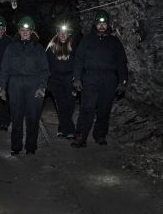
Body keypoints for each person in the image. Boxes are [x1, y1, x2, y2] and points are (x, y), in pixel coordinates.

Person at [71, 10, 128, 148]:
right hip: (91, 77)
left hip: (109, 78)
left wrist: (123, 81)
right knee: (87, 108)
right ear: (95, 24)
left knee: (104, 108)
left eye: (104, 23)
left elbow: (121, 62)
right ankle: (80, 136)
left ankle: (100, 134)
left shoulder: (114, 42)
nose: (102, 26)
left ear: (108, 25)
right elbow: (78, 60)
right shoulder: (87, 40)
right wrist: (77, 78)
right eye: (99, 23)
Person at [0, 15, 49, 155]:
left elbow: (45, 70)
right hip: (15, 85)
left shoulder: (38, 49)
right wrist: (2, 87)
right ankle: (16, 146)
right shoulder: (11, 48)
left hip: (33, 84)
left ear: (32, 31)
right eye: (22, 29)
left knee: (33, 117)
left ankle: (31, 147)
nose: (25, 32)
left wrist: (42, 87)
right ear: (19, 31)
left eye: (27, 30)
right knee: (16, 117)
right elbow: (4, 69)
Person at [46, 22, 76, 138]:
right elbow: (46, 65)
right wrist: (46, 81)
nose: (63, 36)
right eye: (60, 33)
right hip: (56, 81)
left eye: (65, 33)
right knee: (62, 105)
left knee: (70, 105)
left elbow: (80, 63)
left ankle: (63, 128)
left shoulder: (74, 46)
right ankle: (69, 130)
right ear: (57, 34)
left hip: (70, 80)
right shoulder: (51, 47)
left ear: (69, 34)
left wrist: (78, 78)